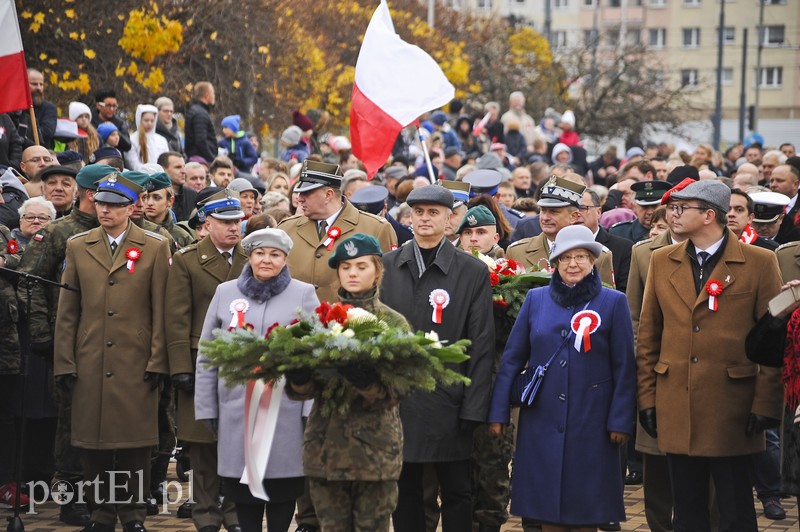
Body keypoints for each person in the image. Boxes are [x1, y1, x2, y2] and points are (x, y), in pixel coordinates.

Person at [637, 180, 783, 530]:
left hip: (732, 406)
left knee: (735, 512)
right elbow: (648, 337)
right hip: (676, 403)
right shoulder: (660, 260)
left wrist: (766, 405)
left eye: (681, 208)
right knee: (687, 512)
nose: (672, 213)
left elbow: (774, 341)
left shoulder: (760, 262)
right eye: (672, 207)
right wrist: (646, 398)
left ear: (708, 215)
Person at [488, 224, 636, 530]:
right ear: (554, 262)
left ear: (593, 261)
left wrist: (620, 420)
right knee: (544, 509)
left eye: (582, 256)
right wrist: (499, 412)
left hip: (593, 420)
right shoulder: (536, 299)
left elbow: (624, 367)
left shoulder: (613, 302)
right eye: (566, 257)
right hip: (541, 419)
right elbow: (512, 360)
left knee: (587, 508)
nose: (573, 263)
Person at [54, 173, 171, 532]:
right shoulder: (78, 245)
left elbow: (162, 310)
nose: (105, 210)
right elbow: (67, 310)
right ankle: (101, 515)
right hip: (90, 359)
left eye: (115, 205)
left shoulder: (154, 246)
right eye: (102, 203)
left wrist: (158, 360)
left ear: (131, 208)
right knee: (94, 445)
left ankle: (133, 516)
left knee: (136, 445)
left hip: (135, 361)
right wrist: (64, 361)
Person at [380, 185, 494, 532]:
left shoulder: (471, 271)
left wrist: (474, 408)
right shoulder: (388, 266)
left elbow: (482, 343)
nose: (425, 219)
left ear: (449, 221)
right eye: (419, 212)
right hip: (399, 402)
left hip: (451, 401)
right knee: (406, 491)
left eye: (434, 213)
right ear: (409, 218)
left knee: (459, 491)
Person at [195, 228, 319, 532]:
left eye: (275, 254)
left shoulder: (303, 293)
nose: (267, 260)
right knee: (241, 491)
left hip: (286, 410)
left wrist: (308, 410)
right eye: (260, 253)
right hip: (237, 409)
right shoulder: (226, 292)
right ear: (249, 256)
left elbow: (315, 356)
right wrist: (207, 407)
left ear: (285, 259)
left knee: (282, 491)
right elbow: (207, 353)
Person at [285, 233, 407, 531]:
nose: (352, 273)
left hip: (375, 453)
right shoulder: (321, 320)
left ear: (377, 271)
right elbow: (306, 391)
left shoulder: (393, 323)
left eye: (362, 266)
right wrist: (299, 378)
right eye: (346, 267)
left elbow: (400, 390)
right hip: (327, 449)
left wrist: (366, 382)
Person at [166, 189, 247, 531]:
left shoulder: (252, 258)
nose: (233, 228)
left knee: (239, 444)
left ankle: (236, 513)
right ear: (206, 224)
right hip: (203, 362)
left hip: (244, 363)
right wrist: (180, 368)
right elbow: (176, 318)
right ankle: (206, 514)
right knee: (201, 448)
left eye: (238, 222)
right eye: (225, 222)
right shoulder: (186, 260)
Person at [278, 160, 396, 304]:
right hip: (294, 323)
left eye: (306, 193)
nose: (299, 198)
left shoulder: (376, 228)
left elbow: (387, 288)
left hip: (351, 323)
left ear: (328, 195)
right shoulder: (286, 229)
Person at [142, 171, 194, 249]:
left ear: (170, 201)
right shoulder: (133, 229)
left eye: (156, 198)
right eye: (145, 197)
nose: (149, 203)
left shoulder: (182, 236)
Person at [125, 105, 169, 171]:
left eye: (152, 121)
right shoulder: (132, 140)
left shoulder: (162, 140)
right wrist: (151, 172)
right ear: (140, 120)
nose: (149, 123)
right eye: (146, 120)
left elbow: (166, 162)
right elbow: (134, 165)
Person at [157, 151, 198, 222]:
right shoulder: (155, 196)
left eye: (184, 167)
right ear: (163, 170)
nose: (184, 171)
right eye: (178, 167)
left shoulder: (193, 195)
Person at [185, 82, 218, 164]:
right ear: (206, 96)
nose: (214, 96)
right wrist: (212, 159)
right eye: (213, 93)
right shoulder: (201, 114)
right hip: (201, 160)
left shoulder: (196, 110)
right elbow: (201, 141)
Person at [91, 88, 132, 154]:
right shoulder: (90, 122)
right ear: (98, 106)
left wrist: (114, 130)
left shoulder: (119, 123)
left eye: (114, 106)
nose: (112, 109)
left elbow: (128, 146)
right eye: (108, 105)